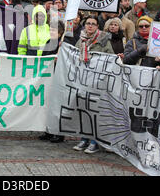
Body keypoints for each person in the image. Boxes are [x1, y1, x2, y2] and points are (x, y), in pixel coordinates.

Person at [73, 15, 114, 154]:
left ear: (97, 26)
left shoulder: (103, 41)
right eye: (88, 23)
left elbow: (110, 57)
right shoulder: (81, 40)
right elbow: (74, 56)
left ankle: (94, 141)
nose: (90, 26)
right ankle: (84, 138)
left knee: (95, 113)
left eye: (93, 24)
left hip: (97, 83)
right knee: (84, 112)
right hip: (83, 82)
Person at [39, 19, 65, 143]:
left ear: (60, 33)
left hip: (59, 78)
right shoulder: (49, 42)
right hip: (48, 78)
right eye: (50, 29)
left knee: (57, 107)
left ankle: (58, 133)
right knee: (48, 105)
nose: (51, 31)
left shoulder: (63, 45)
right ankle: (48, 130)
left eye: (53, 30)